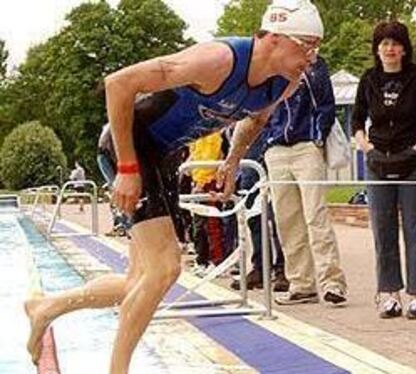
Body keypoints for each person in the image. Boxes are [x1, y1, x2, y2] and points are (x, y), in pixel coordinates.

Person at [23, 1, 324, 372]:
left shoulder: (287, 81)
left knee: (141, 279)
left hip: (164, 157)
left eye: (317, 47)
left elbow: (257, 120)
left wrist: (232, 162)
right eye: (307, 45)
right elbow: (119, 83)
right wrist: (129, 168)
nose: (312, 57)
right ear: (275, 38)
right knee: (165, 268)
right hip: (128, 148)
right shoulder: (218, 60)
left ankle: (46, 307)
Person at [352, 21, 416, 319]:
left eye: (395, 43)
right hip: (378, 162)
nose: (390, 49)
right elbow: (357, 120)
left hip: (412, 162)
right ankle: (388, 294)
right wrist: (366, 147)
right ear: (377, 48)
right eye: (384, 43)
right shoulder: (369, 79)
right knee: (383, 230)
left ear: (404, 47)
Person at [264, 55, 348, 306]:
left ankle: (332, 282)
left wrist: (317, 136)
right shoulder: (268, 66)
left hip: (306, 145)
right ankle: (301, 283)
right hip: (276, 148)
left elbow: (326, 103)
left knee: (316, 215)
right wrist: (267, 142)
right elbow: (259, 108)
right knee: (286, 219)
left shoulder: (314, 64)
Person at [230, 129, 289, 292]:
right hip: (251, 147)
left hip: (274, 138)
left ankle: (283, 269)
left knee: (280, 213)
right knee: (253, 215)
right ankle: (260, 267)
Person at [188, 131, 238, 277]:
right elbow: (196, 157)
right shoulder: (198, 135)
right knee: (201, 224)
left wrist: (200, 183)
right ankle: (204, 260)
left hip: (210, 183)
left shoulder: (213, 135)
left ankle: (217, 262)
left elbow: (209, 161)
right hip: (200, 181)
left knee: (212, 224)